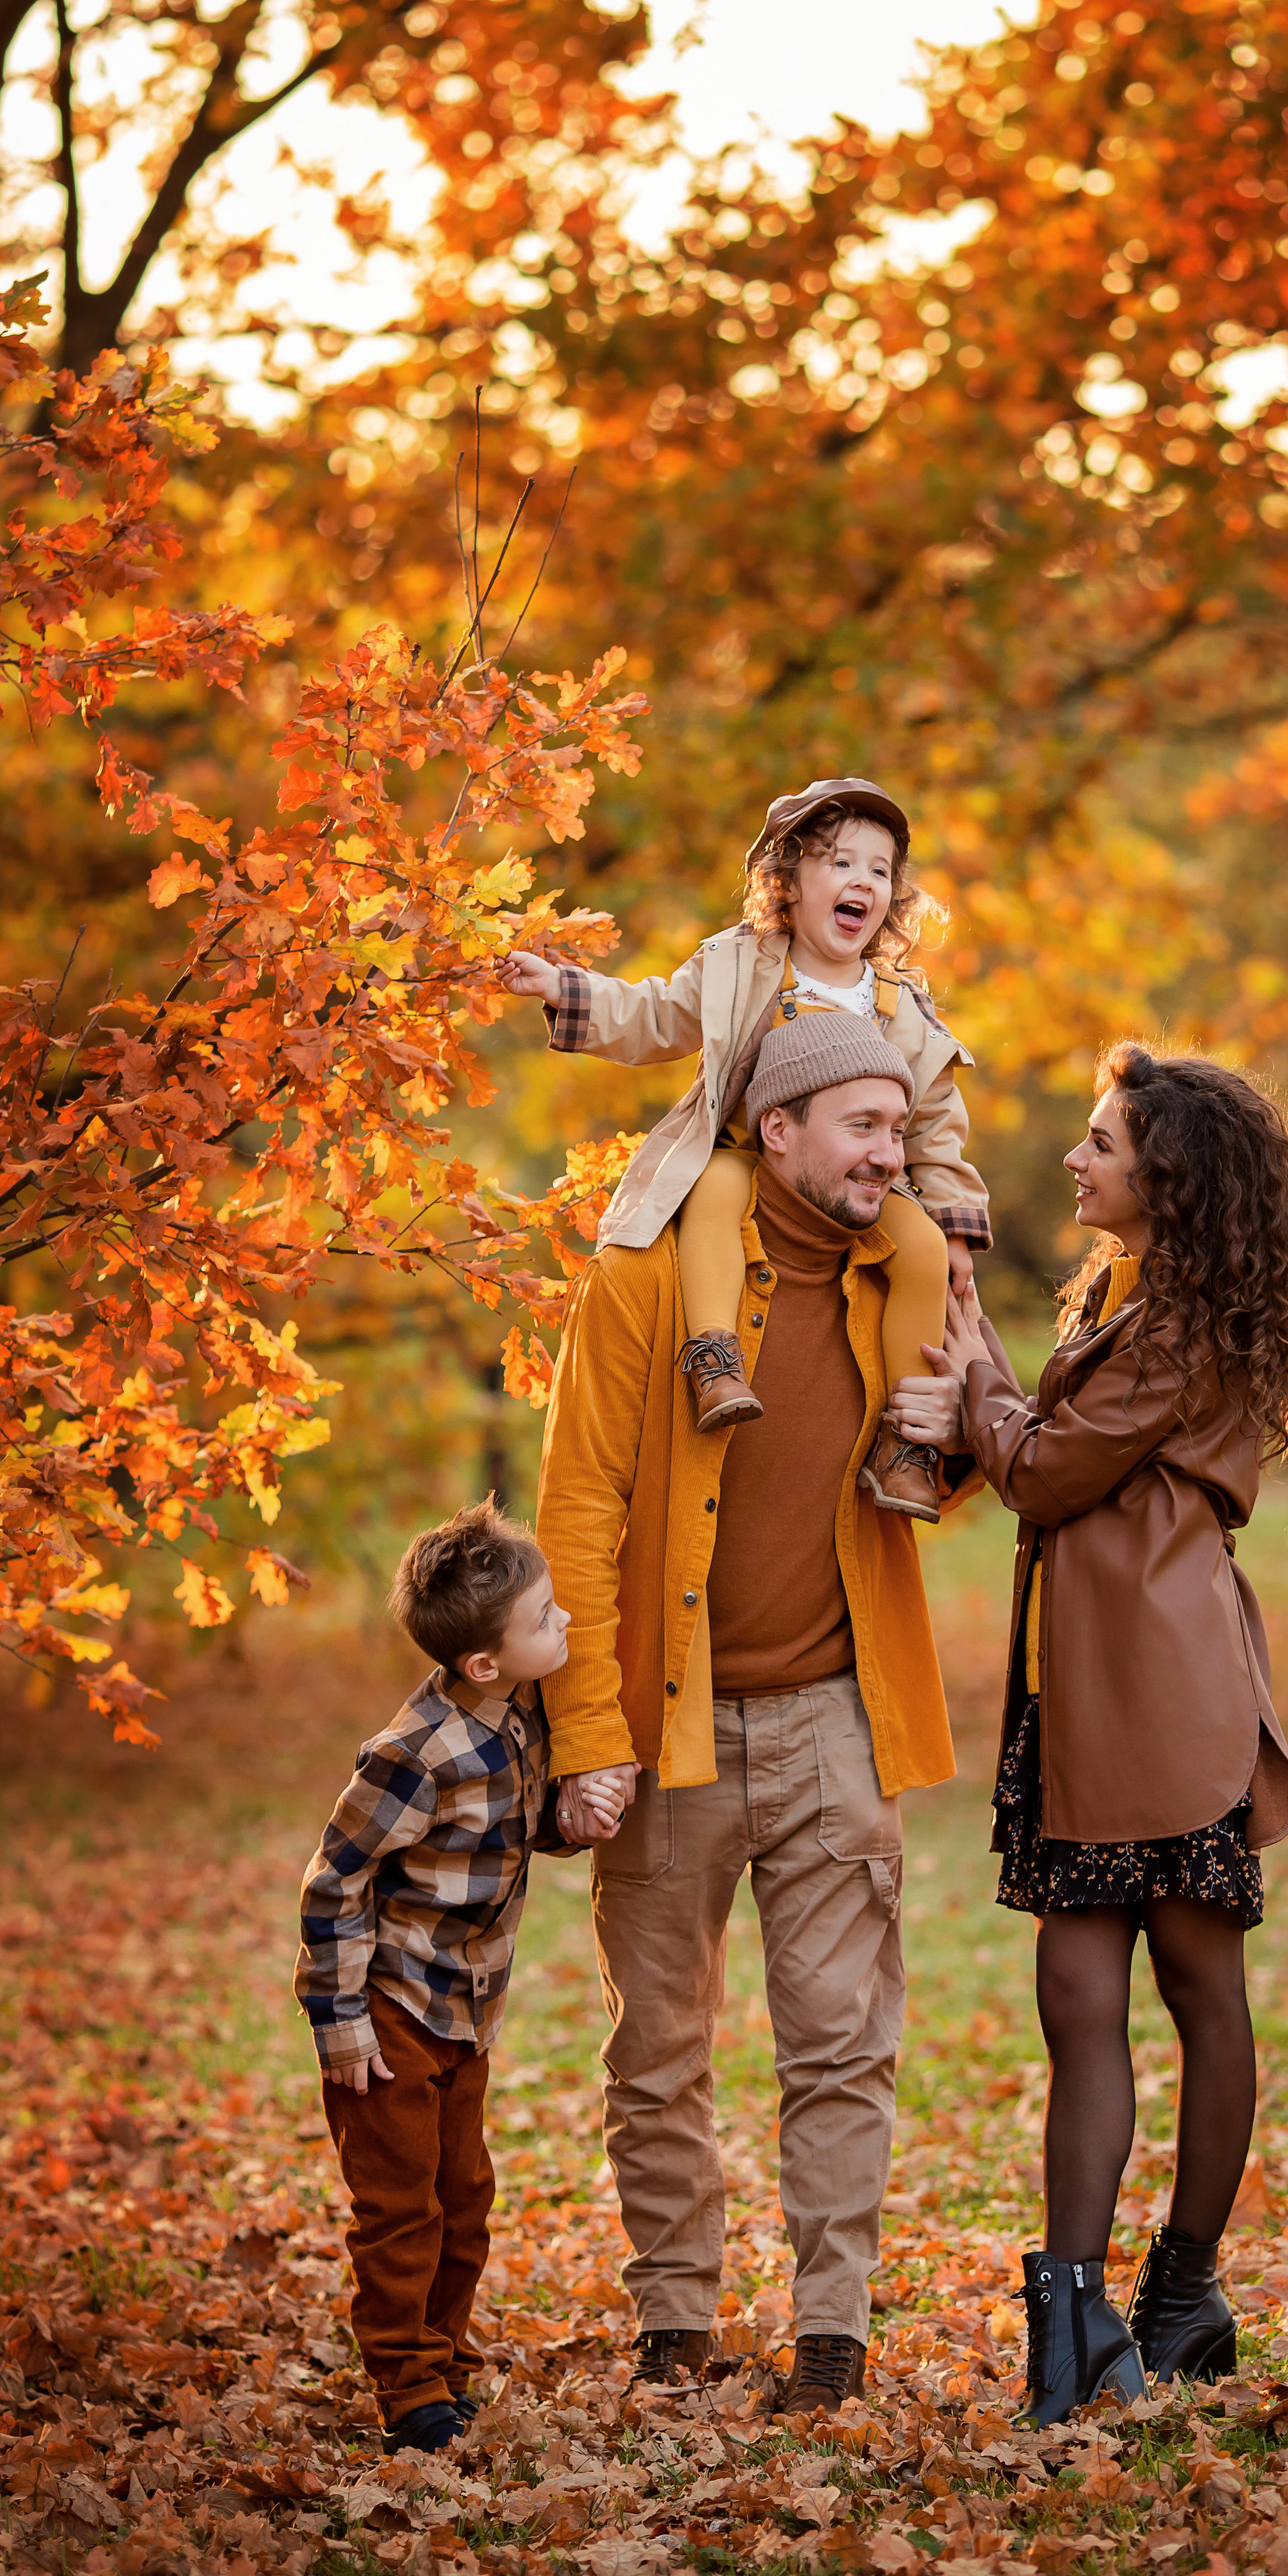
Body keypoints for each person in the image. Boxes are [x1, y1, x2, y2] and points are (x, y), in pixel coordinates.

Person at [892, 1043, 1288, 2425]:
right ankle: (1074, 2318)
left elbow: (1038, 1468)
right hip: (1088, 1690)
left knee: (1202, 1995)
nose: (1076, 1161)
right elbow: (1049, 1439)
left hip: (1167, 1691)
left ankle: (1184, 2290)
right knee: (1079, 2000)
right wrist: (981, 1353)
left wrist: (978, 1386)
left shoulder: (1190, 1324)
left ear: (1167, 1178)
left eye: (1101, 1143)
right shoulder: (1129, 1296)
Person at [535, 1011, 968, 2415]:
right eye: (862, 1125)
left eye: (900, 1128)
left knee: (843, 2042)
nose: (888, 1153)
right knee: (658, 2041)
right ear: (775, 1130)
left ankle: (832, 2334)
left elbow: (954, 1470)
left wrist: (951, 1429)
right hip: (668, 1727)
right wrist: (588, 1732)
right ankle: (676, 2322)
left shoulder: (907, 1270)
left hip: (840, 1713)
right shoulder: (649, 1277)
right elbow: (580, 1509)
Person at [501, 775, 991, 1523]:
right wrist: (566, 989)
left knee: (921, 1250)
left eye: (880, 870)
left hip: (855, 1185)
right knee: (715, 1194)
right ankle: (714, 1359)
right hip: (744, 1151)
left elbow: (933, 1120)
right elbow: (656, 1016)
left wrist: (955, 1225)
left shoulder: (899, 1003)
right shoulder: (742, 964)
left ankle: (907, 1440)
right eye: (838, 862)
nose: (862, 880)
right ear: (786, 883)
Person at [294, 1501, 634, 2453]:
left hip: (465, 2008)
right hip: (391, 2012)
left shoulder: (519, 1716)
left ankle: (444, 2363)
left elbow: (498, 1837)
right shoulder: (411, 1754)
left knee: (464, 2199)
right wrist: (341, 2025)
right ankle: (408, 2390)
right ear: (483, 1662)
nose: (563, 1624)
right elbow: (333, 1884)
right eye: (546, 1618)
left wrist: (570, 1824)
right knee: (401, 2209)